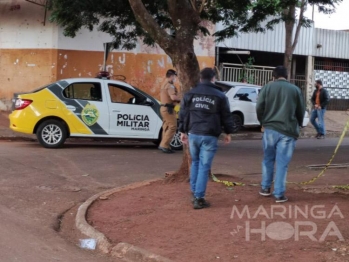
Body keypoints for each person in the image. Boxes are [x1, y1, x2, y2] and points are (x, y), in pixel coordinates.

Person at [179, 68, 235, 209]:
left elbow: (183, 113)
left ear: (200, 78)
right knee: (204, 166)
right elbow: (226, 116)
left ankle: (194, 192)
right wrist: (228, 132)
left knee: (196, 163)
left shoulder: (190, 94)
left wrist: (182, 131)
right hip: (210, 135)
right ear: (213, 79)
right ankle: (199, 198)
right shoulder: (220, 96)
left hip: (193, 133)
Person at [256, 66, 305, 203]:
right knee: (282, 163)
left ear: (274, 76)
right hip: (287, 131)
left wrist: (262, 122)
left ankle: (265, 188)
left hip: (270, 129)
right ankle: (279, 194)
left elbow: (259, 106)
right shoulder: (295, 90)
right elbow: (300, 110)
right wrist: (299, 124)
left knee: (267, 159)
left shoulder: (267, 88)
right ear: (287, 76)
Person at [158, 69, 181, 153]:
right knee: (173, 126)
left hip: (164, 108)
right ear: (171, 76)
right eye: (174, 76)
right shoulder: (170, 85)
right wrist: (181, 99)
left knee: (166, 126)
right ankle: (164, 145)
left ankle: (165, 145)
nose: (175, 78)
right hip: (168, 109)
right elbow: (173, 98)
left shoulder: (164, 84)